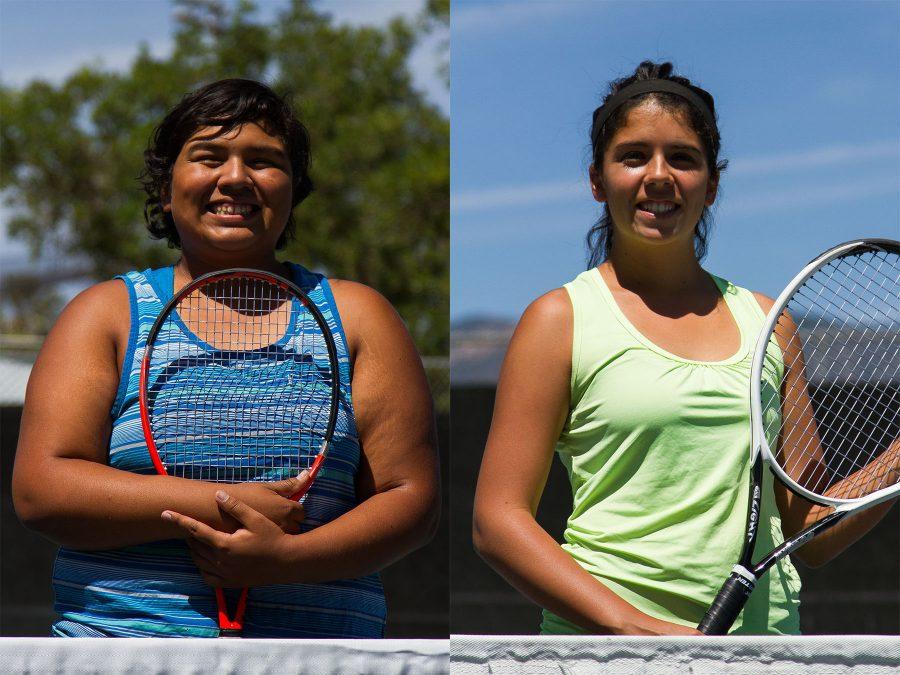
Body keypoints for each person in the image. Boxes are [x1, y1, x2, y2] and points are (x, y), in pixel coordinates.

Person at [472, 61, 895, 635]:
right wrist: (643, 634)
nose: (659, 175)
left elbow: (809, 533)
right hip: (603, 658)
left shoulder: (771, 323)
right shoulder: (559, 320)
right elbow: (497, 522)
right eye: (633, 155)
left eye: (683, 158)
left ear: (711, 183)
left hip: (763, 655)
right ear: (597, 179)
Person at [12, 78, 440, 638]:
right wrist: (221, 503)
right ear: (166, 189)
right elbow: (42, 488)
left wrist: (287, 560)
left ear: (294, 189)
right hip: (122, 655)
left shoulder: (360, 316)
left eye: (264, 161)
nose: (235, 177)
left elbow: (410, 500)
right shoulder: (105, 314)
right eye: (209, 157)